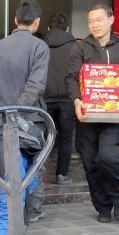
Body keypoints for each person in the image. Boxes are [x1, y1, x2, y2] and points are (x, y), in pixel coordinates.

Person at [66, 3, 119, 223]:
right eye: (91, 21)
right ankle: (102, 206)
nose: (95, 25)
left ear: (111, 20)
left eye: (99, 20)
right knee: (90, 163)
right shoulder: (80, 47)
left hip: (112, 117)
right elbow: (71, 77)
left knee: (108, 157)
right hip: (86, 117)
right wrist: (76, 100)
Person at [0, 0, 49, 220]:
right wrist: (17, 112)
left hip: (0, 118)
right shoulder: (39, 47)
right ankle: (32, 209)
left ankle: (13, 209)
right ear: (37, 22)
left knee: (9, 165)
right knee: (34, 165)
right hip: (31, 118)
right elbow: (35, 85)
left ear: (15, 20)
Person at [43, 12, 77, 184]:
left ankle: (38, 173)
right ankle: (61, 174)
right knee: (65, 138)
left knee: (43, 138)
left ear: (48, 28)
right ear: (68, 28)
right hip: (67, 99)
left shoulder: (40, 45)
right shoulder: (75, 47)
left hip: (45, 99)